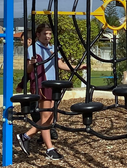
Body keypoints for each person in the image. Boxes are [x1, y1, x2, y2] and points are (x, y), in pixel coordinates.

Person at [16, 23, 86, 160]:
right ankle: (49, 148)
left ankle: (26, 136)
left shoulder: (53, 48)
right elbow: (29, 70)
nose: (48, 36)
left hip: (53, 85)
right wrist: (32, 63)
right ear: (38, 35)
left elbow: (60, 65)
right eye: (45, 34)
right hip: (42, 85)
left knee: (51, 117)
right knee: (46, 117)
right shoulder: (33, 48)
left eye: (49, 34)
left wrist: (78, 67)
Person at [16, 31, 58, 143]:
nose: (21, 42)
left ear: (29, 40)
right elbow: (29, 72)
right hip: (41, 86)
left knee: (41, 114)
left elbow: (29, 73)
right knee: (44, 114)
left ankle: (29, 135)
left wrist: (21, 84)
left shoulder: (35, 51)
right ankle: (43, 136)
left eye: (22, 40)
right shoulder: (33, 52)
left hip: (41, 86)